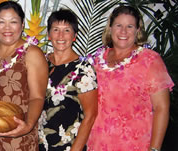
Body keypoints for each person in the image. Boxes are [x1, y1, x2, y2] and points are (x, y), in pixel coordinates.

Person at [87, 5, 174, 151]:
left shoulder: (149, 60)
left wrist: (154, 148)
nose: (123, 31)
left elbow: (162, 108)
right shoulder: (97, 60)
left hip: (135, 145)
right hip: (98, 143)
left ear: (137, 30)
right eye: (118, 25)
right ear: (110, 28)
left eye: (130, 26)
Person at [0, 1, 48, 151]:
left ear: (22, 24)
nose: (7, 28)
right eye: (1, 22)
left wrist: (27, 126)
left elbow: (37, 97)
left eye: (13, 22)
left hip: (18, 135)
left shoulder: (32, 53)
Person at [38, 9, 98, 151]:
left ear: (74, 36)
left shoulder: (83, 70)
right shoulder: (41, 62)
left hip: (68, 146)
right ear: (48, 34)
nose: (60, 35)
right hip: (39, 144)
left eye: (66, 30)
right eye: (56, 29)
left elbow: (90, 116)